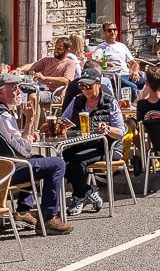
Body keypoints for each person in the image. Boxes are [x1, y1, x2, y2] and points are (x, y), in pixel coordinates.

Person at [0, 73, 72, 234]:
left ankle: (23, 210)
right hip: (2, 172)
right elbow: (25, 150)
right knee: (57, 164)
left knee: (39, 159)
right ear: (0, 94)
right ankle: (48, 218)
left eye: (18, 87)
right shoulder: (1, 114)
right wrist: (30, 121)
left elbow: (12, 140)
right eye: (13, 88)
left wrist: (26, 133)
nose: (19, 91)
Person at [52, 69, 125, 214]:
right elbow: (63, 120)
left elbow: (120, 131)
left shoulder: (109, 102)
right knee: (60, 160)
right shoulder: (77, 100)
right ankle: (88, 190)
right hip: (83, 144)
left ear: (98, 84)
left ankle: (79, 197)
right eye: (82, 86)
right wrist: (62, 126)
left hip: (107, 146)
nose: (85, 90)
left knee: (78, 160)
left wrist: (107, 128)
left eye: (89, 86)